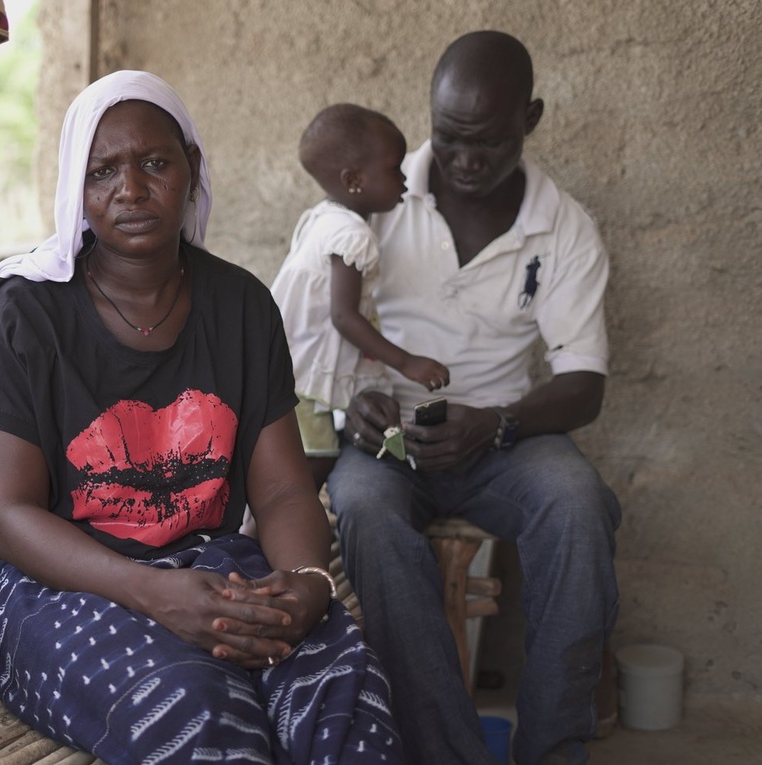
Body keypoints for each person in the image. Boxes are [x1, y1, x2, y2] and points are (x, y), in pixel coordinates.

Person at [0, 70, 405, 763]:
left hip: (214, 567)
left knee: (345, 690)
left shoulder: (242, 306)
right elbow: (7, 514)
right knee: (193, 708)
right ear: (77, 185)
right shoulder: (26, 315)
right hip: (62, 586)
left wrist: (308, 585)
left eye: (155, 163)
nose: (130, 190)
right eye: (103, 171)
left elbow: (282, 489)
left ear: (191, 169)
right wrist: (152, 592)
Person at [325, 31, 621, 765]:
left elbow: (584, 383)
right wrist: (349, 405)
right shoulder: (375, 196)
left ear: (532, 117)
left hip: (503, 436)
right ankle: (444, 752)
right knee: (361, 507)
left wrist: (495, 425)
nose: (462, 160)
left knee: (578, 501)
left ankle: (553, 748)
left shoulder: (564, 229)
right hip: (390, 437)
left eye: (486, 143)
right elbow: (313, 323)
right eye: (448, 137)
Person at [271, 104, 450, 489]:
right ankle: (261, 546)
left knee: (294, 480)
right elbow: (344, 316)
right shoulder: (353, 236)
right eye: (394, 169)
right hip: (304, 377)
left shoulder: (323, 218)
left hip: (288, 366)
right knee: (305, 480)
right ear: (353, 179)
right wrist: (408, 362)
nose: (404, 179)